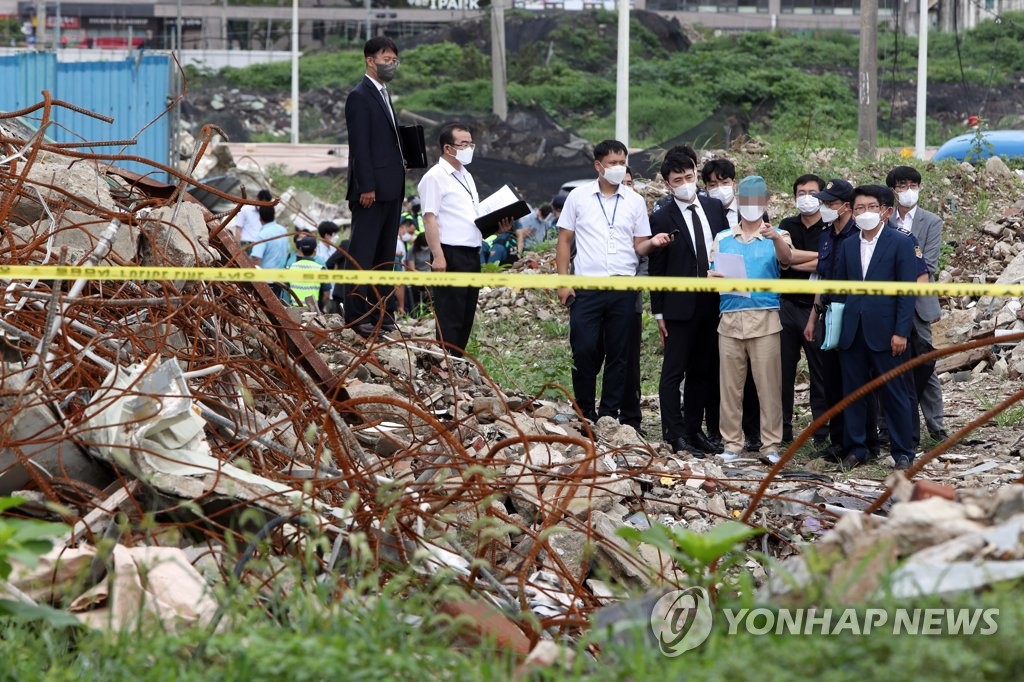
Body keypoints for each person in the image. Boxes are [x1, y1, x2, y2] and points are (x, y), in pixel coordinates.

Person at [556, 139, 673, 423]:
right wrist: (562, 282)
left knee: (620, 355)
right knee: (584, 349)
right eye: (613, 164)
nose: (619, 168)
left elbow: (639, 245)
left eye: (622, 163)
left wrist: (654, 243)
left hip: (624, 286)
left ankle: (608, 415)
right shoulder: (578, 197)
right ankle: (585, 412)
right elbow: (564, 240)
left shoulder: (634, 200)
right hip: (587, 286)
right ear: (598, 166)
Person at [826, 185, 919, 471]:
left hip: (887, 332)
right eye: (858, 208)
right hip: (853, 331)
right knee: (853, 392)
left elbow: (907, 292)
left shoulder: (900, 242)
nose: (864, 213)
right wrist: (838, 329)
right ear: (852, 213)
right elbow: (840, 291)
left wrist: (901, 331)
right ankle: (858, 448)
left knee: (895, 392)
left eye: (870, 207)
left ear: (885, 211)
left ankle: (903, 451)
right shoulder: (848, 245)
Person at [649, 152, 730, 456]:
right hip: (677, 307)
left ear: (696, 173)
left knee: (702, 370)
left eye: (689, 177)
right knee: (674, 371)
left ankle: (695, 430)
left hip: (711, 303)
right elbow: (656, 270)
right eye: (677, 181)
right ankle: (675, 432)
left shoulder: (712, 206)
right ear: (668, 185)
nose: (685, 184)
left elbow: (723, 246)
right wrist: (658, 312)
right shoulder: (661, 217)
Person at [709, 176, 793, 465]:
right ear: (738, 203)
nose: (751, 206)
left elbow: (787, 260)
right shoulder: (722, 238)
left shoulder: (778, 235)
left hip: (765, 318)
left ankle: (770, 445)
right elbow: (711, 273)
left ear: (766, 203)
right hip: (730, 318)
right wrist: (712, 277)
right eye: (746, 201)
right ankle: (731, 443)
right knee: (730, 386)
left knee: (768, 386)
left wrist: (777, 238)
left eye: (757, 201)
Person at [418, 122, 501, 356]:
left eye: (470, 143)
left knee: (465, 315)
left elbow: (469, 219)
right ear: (448, 148)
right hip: (450, 252)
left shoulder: (466, 176)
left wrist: (496, 227)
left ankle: (457, 360)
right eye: (463, 144)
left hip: (471, 252)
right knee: (450, 314)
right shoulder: (435, 177)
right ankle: (445, 364)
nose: (469, 148)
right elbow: (429, 219)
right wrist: (438, 256)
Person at [343, 36, 406, 338]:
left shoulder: (384, 93)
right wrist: (366, 185)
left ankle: (384, 312)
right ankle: (356, 315)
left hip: (392, 188)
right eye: (386, 58)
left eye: (394, 58)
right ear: (370, 60)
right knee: (363, 253)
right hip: (371, 191)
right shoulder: (360, 95)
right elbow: (360, 146)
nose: (391, 63)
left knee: (385, 255)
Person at [886, 165, 947, 442]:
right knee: (888, 363)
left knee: (924, 363)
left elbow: (930, 263)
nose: (908, 190)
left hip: (919, 304)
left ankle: (936, 426)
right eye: (901, 186)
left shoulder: (930, 221)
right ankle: (890, 427)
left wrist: (893, 269)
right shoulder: (884, 219)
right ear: (893, 191)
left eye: (912, 185)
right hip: (887, 304)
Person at [777, 174, 836, 448]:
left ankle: (821, 431)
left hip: (816, 309)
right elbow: (783, 259)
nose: (807, 197)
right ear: (794, 197)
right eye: (801, 193)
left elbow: (829, 262)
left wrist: (797, 258)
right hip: (786, 306)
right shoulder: (786, 225)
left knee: (820, 372)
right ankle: (782, 429)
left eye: (812, 192)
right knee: (782, 371)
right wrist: (816, 258)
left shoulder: (830, 226)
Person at [803, 179, 858, 461]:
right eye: (822, 203)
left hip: (851, 315)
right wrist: (813, 318)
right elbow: (821, 280)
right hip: (828, 315)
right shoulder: (827, 235)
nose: (824, 208)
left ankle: (857, 443)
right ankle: (837, 441)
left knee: (854, 382)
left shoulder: (858, 236)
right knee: (832, 382)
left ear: (846, 207)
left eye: (830, 204)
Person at [250, 204, 290, 298]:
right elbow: (287, 251)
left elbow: (256, 260)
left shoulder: (262, 235)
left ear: (260, 218)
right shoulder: (283, 231)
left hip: (266, 282)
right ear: (274, 215)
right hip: (280, 280)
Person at [286, 235, 328, 307]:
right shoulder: (320, 269)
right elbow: (326, 295)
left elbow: (286, 289)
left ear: (301, 249)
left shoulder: (291, 267)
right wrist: (321, 308)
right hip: (313, 311)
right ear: (315, 249)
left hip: (294, 310)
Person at [702, 158, 739, 228]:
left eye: (725, 183)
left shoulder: (747, 210)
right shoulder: (701, 213)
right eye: (712, 185)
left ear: (734, 184)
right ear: (706, 188)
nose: (720, 188)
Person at [394, 218, 417, 316]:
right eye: (410, 232)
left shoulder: (401, 240)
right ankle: (400, 308)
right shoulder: (396, 241)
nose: (410, 235)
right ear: (403, 227)